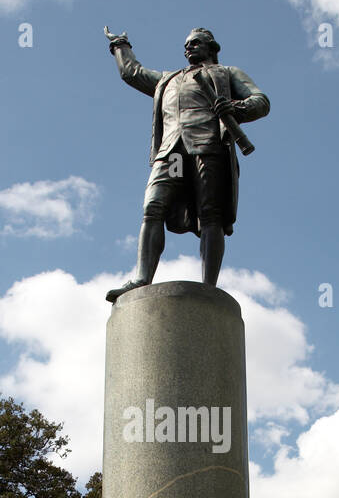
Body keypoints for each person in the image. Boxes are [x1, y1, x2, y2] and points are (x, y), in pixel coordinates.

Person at [103, 26, 269, 302]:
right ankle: (142, 277)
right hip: (172, 151)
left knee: (210, 214)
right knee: (153, 207)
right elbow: (132, 73)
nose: (188, 48)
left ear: (212, 47)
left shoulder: (227, 73)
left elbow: (260, 101)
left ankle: (209, 287)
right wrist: (120, 44)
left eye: (195, 43)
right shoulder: (168, 79)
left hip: (208, 146)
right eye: (186, 45)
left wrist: (236, 108)